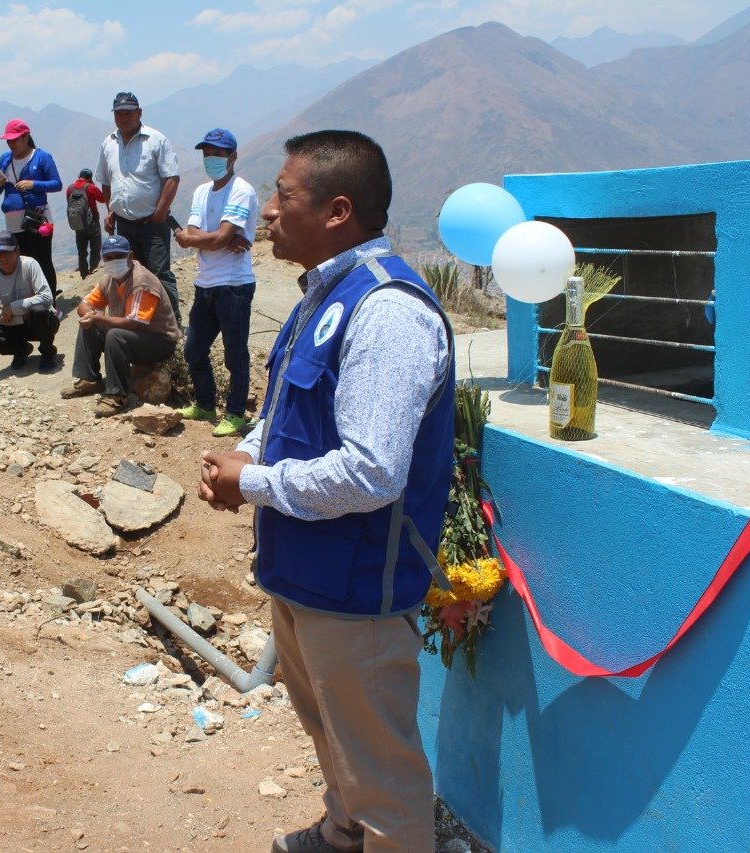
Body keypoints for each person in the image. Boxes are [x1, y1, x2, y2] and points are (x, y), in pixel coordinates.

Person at [198, 130, 455, 853]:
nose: (269, 212)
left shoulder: (386, 310)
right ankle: (343, 832)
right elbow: (283, 411)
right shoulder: (322, 296)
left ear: (338, 210)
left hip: (356, 590)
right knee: (331, 731)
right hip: (305, 575)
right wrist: (246, 452)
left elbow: (373, 471)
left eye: (283, 196)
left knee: (382, 768)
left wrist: (251, 482)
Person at [174, 128, 259, 438]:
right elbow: (199, 234)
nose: (211, 159)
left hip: (234, 285)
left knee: (235, 353)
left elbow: (208, 236)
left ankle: (235, 413)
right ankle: (206, 404)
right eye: (207, 153)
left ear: (232, 156)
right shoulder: (201, 192)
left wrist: (209, 239)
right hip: (206, 283)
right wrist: (215, 240)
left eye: (218, 153)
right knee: (194, 348)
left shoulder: (241, 190)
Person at [61, 234, 180, 418]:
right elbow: (85, 303)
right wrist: (89, 315)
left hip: (160, 340)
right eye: (108, 257)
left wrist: (98, 318)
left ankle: (117, 395)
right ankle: (89, 379)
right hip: (134, 334)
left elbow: (135, 323)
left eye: (118, 256)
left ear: (130, 256)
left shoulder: (142, 281)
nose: (113, 261)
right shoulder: (109, 279)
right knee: (90, 324)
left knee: (115, 335)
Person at [95, 92, 181, 323]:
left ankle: (172, 325)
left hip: (152, 223)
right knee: (130, 274)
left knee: (160, 274)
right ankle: (140, 321)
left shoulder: (156, 140)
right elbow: (105, 180)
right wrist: (110, 210)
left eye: (129, 112)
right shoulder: (108, 143)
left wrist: (161, 211)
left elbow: (171, 178)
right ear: (114, 116)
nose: (124, 117)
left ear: (139, 112)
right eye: (119, 113)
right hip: (124, 224)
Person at [0, 120, 63, 300]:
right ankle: (31, 302)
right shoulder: (5, 159)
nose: (11, 144)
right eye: (8, 140)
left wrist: (33, 184)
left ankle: (50, 303)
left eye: (15, 139)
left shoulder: (42, 157)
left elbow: (56, 184)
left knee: (42, 261)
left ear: (26, 136)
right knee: (22, 263)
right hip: (13, 222)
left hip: (37, 220)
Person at [0, 232, 59, 371]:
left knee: (40, 311)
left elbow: (46, 297)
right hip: (14, 324)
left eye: (7, 253)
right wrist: (19, 315)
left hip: (39, 321)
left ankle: (47, 352)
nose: (3, 258)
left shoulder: (30, 265)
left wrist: (12, 308)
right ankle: (21, 350)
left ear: (17, 251)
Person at [65, 168, 105, 279]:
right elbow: (102, 198)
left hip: (78, 222)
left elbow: (69, 203)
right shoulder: (90, 187)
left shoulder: (70, 188)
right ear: (89, 178)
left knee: (81, 250)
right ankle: (93, 270)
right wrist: (92, 184)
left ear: (79, 175)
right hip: (92, 222)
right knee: (95, 247)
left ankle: (83, 273)